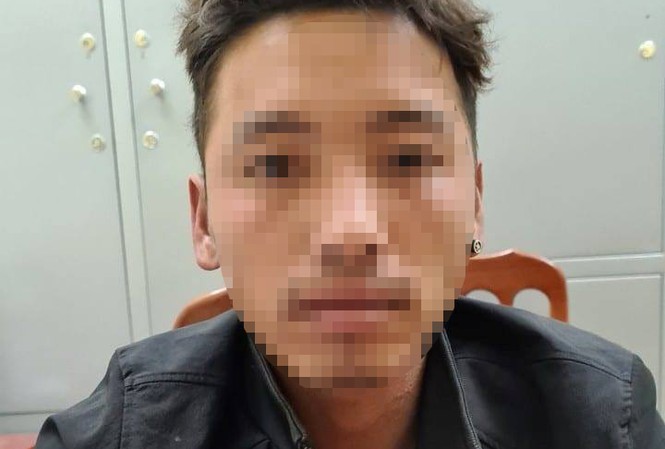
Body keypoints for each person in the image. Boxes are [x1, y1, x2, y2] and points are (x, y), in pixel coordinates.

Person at [35, 0, 665, 448]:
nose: (349, 231)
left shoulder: (602, 422)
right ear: (204, 221)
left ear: (474, 203)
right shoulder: (116, 435)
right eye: (275, 165)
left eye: (408, 159)